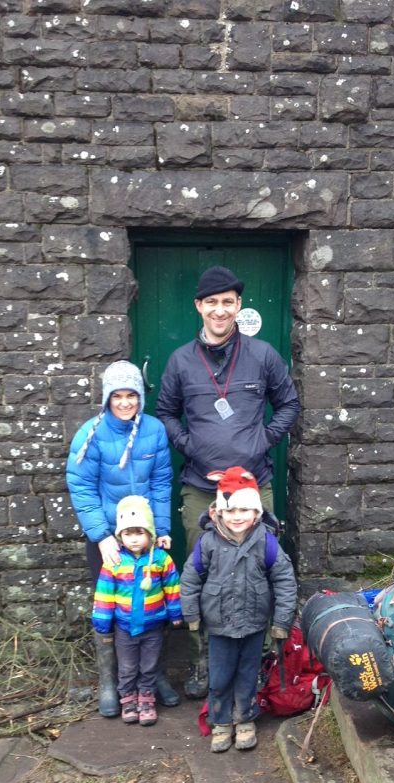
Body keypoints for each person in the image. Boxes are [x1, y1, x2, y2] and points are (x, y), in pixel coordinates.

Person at [156, 265, 300, 699]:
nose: (220, 310)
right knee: (207, 575)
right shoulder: (181, 360)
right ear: (199, 306)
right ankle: (204, 662)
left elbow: (289, 405)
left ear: (238, 306)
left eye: (228, 302)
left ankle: (255, 665)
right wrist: (194, 449)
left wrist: (261, 442)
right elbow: (165, 412)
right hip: (202, 486)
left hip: (256, 485)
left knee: (259, 573)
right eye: (212, 302)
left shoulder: (263, 355)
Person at [66, 360, 181, 716]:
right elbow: (81, 485)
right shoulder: (91, 433)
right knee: (111, 607)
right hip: (109, 537)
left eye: (131, 395)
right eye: (118, 396)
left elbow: (162, 482)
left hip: (145, 536)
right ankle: (110, 682)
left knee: (153, 603)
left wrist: (161, 530)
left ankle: (154, 675)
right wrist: (101, 536)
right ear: (107, 398)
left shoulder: (155, 430)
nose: (125, 402)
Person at [179, 467, 297, 753]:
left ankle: (245, 717)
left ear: (256, 511)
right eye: (230, 510)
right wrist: (192, 615)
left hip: (254, 624)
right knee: (219, 677)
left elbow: (284, 580)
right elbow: (190, 578)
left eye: (244, 509)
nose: (237, 516)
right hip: (218, 625)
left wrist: (281, 621)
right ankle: (220, 721)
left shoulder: (267, 543)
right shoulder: (207, 542)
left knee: (247, 674)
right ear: (218, 512)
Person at [91, 496, 182, 727]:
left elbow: (172, 588)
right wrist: (103, 621)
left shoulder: (161, 559)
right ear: (120, 536)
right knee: (128, 666)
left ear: (150, 534)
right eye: (128, 534)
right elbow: (104, 593)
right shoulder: (114, 561)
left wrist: (176, 613)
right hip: (125, 627)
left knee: (150, 665)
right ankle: (128, 699)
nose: (133, 539)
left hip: (153, 626)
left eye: (139, 533)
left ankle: (146, 699)